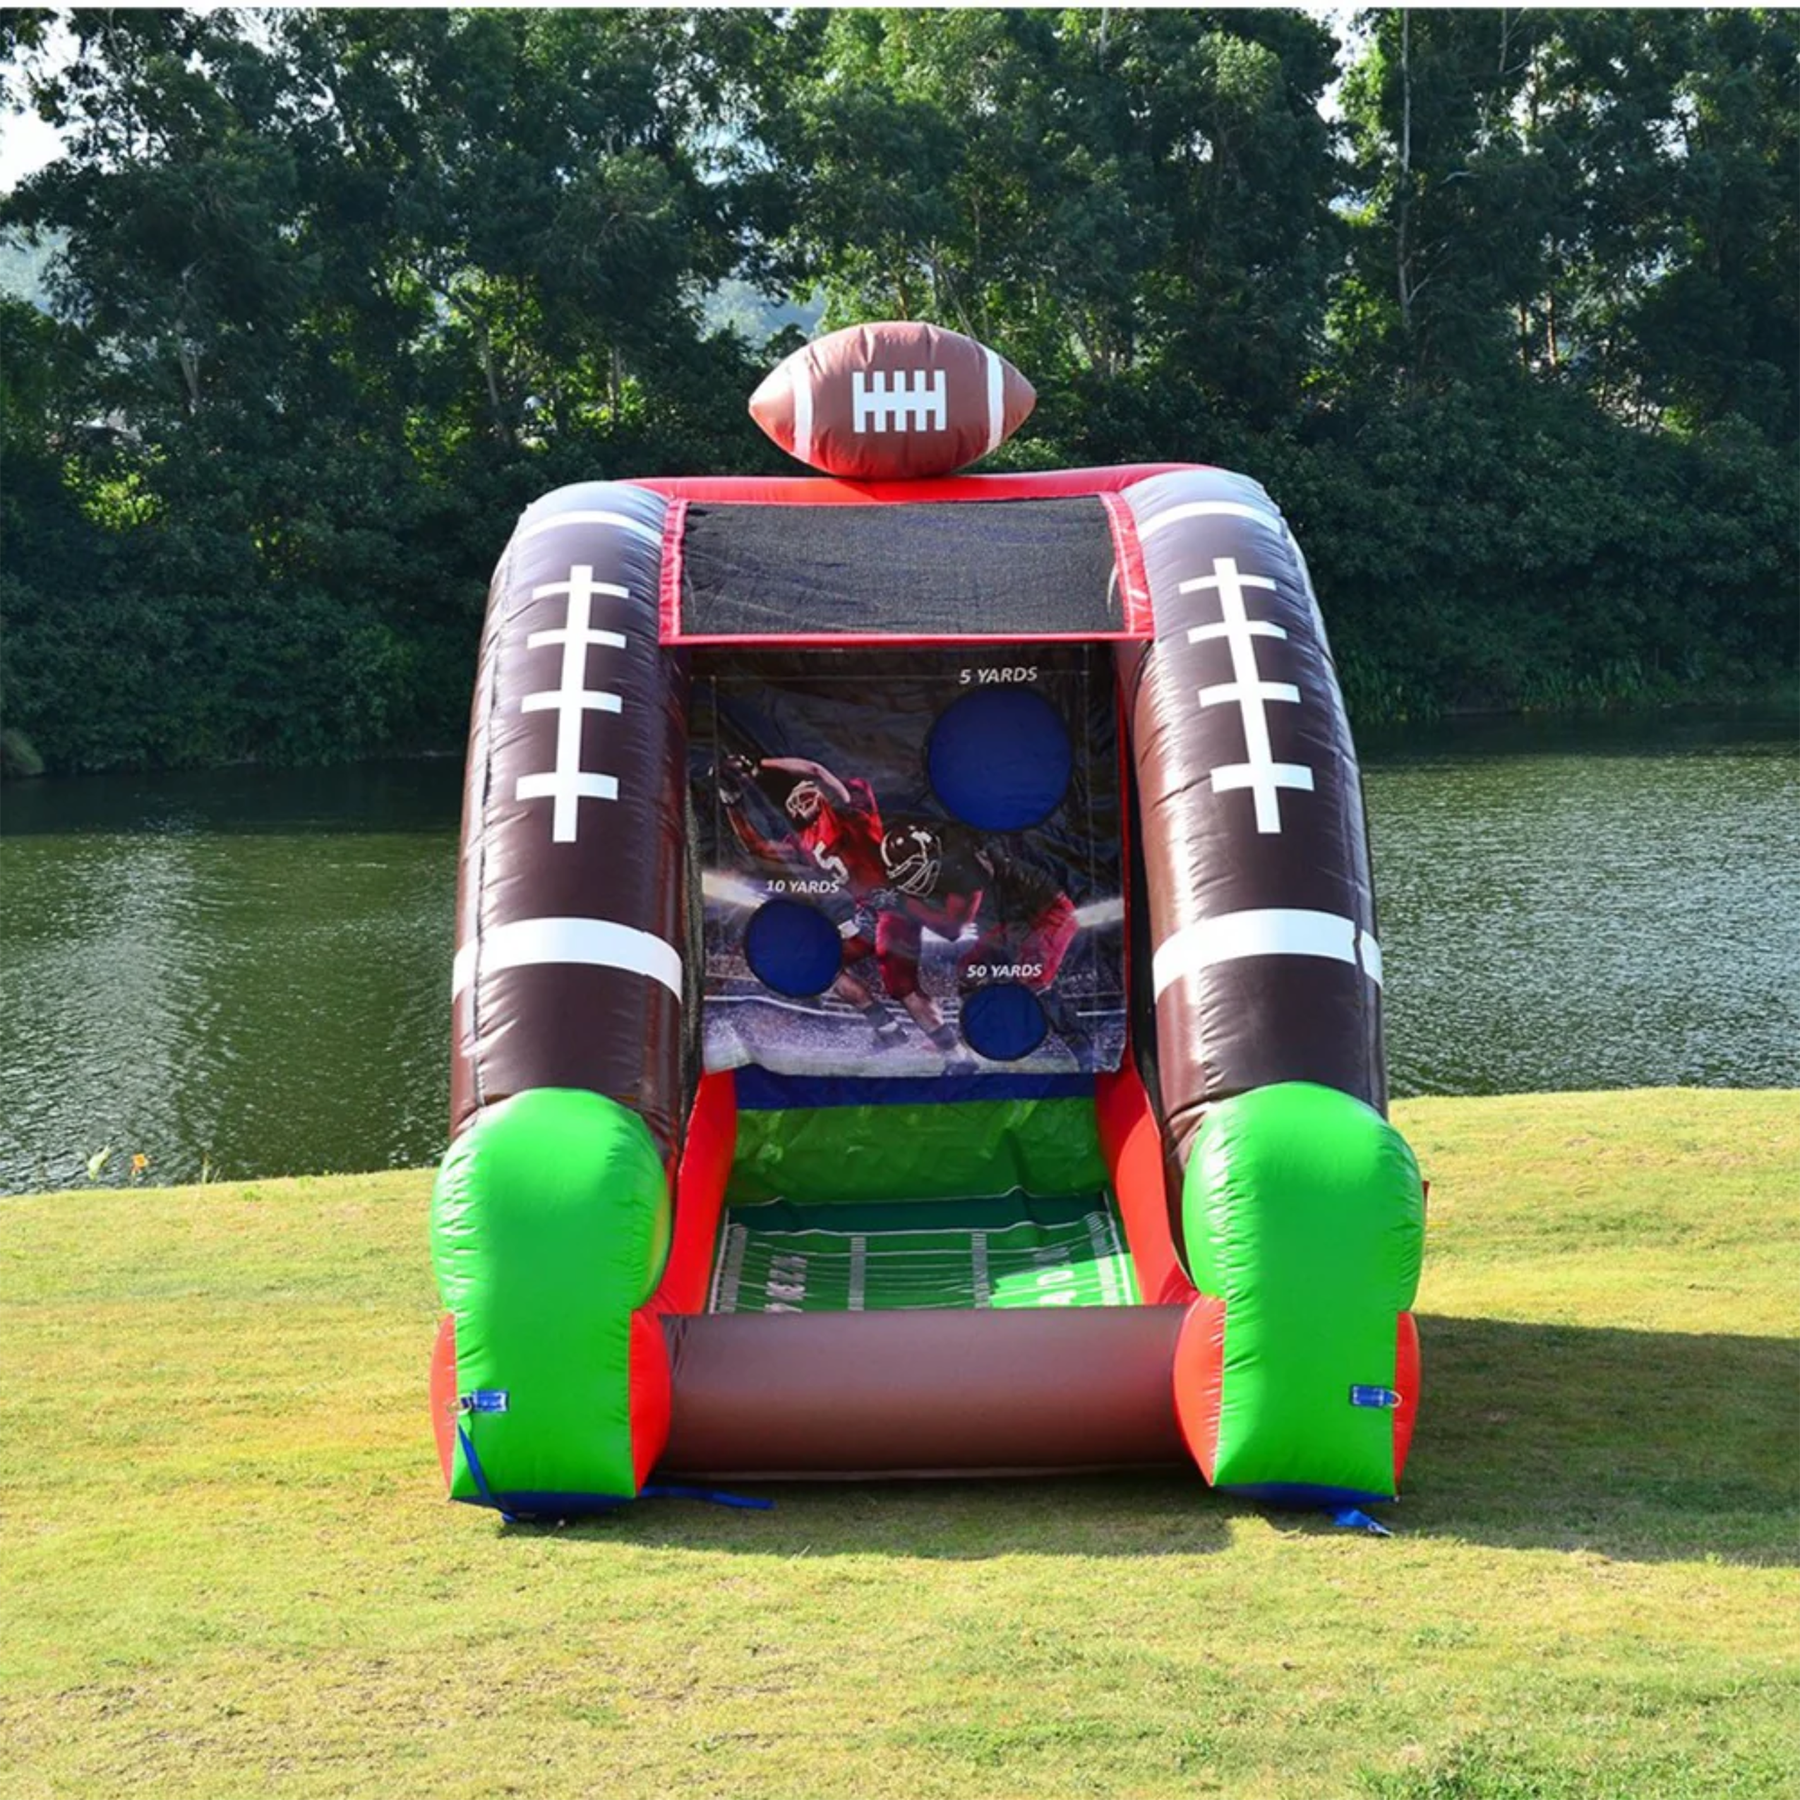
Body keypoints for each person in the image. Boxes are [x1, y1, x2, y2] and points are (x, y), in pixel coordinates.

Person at [877, 821, 1089, 1061]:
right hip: (1015, 920)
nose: (911, 880)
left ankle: (1082, 1047)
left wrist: (907, 904)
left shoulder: (964, 868)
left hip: (1050, 913)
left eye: (912, 870)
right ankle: (973, 1037)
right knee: (968, 969)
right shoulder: (950, 860)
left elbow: (952, 929)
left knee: (1032, 977)